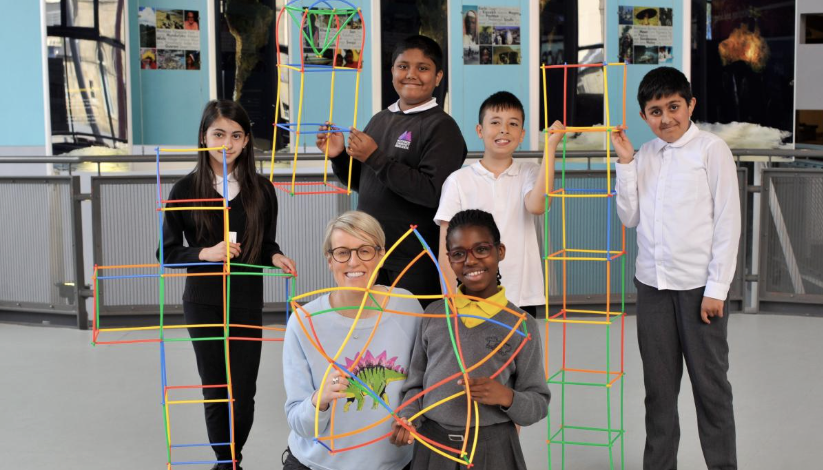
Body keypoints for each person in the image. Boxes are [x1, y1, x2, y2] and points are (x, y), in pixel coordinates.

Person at [610, 66, 740, 470]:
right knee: (659, 392)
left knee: (711, 389)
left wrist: (717, 288)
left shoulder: (711, 150)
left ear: (690, 105)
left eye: (673, 107)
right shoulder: (644, 155)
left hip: (700, 290)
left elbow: (728, 221)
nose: (665, 118)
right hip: (652, 288)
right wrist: (626, 163)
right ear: (643, 115)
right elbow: (628, 217)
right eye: (654, 111)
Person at [159, 99, 296, 470]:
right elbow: (167, 253)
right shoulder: (185, 189)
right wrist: (206, 253)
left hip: (246, 300)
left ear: (247, 141)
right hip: (203, 302)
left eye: (236, 135)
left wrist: (275, 256)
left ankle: (233, 454)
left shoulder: (262, 190)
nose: (227, 143)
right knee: (215, 388)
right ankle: (226, 460)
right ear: (204, 138)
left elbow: (266, 243)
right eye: (218, 134)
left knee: (243, 390)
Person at [391, 209, 550, 469]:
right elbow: (415, 386)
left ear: (500, 252)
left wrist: (506, 397)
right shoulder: (434, 315)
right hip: (433, 445)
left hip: (494, 446)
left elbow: (538, 402)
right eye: (458, 254)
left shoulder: (521, 325)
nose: (471, 261)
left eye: (481, 249)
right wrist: (408, 417)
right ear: (450, 260)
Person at [317, 35, 467, 306]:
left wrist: (375, 157)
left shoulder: (442, 127)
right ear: (392, 72)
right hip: (370, 255)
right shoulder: (380, 119)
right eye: (403, 66)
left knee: (412, 336)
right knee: (375, 337)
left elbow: (433, 192)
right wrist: (338, 156)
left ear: (438, 76)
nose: (411, 74)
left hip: (414, 258)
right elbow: (366, 183)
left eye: (423, 68)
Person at [281, 211, 422, 470]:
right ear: (329, 260)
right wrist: (318, 400)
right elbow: (298, 422)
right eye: (342, 252)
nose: (354, 262)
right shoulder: (304, 322)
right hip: (316, 464)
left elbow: (420, 386)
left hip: (395, 464)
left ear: (381, 256)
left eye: (365, 251)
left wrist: (410, 418)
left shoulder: (408, 307)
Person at [434, 92, 564, 316]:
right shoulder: (458, 181)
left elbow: (537, 206)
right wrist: (451, 298)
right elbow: (446, 248)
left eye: (513, 124)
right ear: (480, 130)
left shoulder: (529, 172)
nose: (504, 129)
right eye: (495, 122)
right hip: (471, 294)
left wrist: (550, 148)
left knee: (519, 351)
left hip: (520, 296)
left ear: (522, 134)